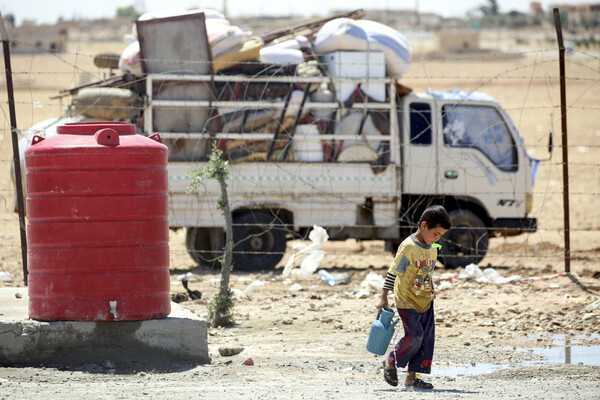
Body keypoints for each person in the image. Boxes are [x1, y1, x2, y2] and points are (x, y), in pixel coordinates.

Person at [377, 205, 451, 389]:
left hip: (425, 301)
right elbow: (393, 272)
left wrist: (431, 290)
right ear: (424, 226)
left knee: (426, 339)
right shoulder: (408, 247)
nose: (437, 238)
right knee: (415, 335)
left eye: (440, 235)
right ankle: (391, 360)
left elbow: (426, 273)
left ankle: (412, 378)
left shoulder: (433, 248)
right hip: (406, 300)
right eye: (436, 233)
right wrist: (384, 297)